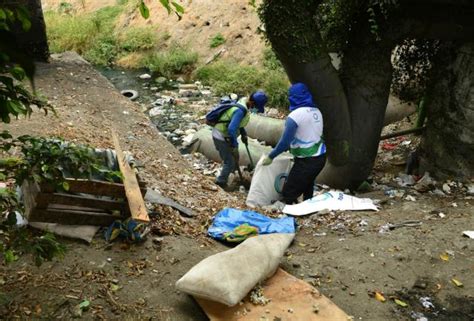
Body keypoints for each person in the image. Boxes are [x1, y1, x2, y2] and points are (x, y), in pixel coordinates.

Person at [262, 83, 326, 204]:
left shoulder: (295, 116)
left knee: (289, 192)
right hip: (320, 158)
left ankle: (288, 217)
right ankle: (307, 211)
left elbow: (285, 142)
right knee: (308, 185)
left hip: (307, 161)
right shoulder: (317, 111)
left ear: (293, 97)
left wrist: (271, 156)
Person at [213, 90, 268, 188]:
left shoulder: (243, 104)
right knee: (229, 161)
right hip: (220, 136)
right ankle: (220, 183)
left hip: (226, 135)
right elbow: (231, 128)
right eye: (256, 107)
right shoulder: (240, 110)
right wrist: (234, 144)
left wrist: (243, 134)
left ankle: (234, 176)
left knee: (235, 157)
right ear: (252, 103)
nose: (256, 110)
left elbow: (238, 124)